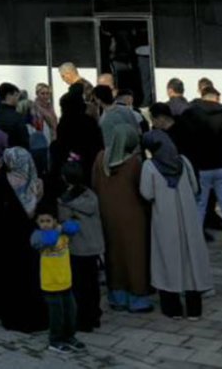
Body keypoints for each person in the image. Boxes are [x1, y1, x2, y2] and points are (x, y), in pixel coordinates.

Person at [140, 130, 213, 320]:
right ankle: (194, 309)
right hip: (188, 219)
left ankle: (172, 309)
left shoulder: (149, 166)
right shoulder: (184, 162)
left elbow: (147, 193)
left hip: (164, 220)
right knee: (192, 262)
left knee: (167, 261)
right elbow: (195, 188)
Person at [92, 107, 152, 312]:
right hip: (133, 215)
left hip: (107, 215)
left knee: (113, 255)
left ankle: (117, 296)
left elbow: (95, 186)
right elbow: (143, 190)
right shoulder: (134, 163)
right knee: (135, 256)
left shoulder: (100, 159)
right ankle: (137, 297)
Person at [179, 86, 222, 264]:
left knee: (198, 210)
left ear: (202, 97)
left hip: (200, 168)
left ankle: (194, 252)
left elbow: (183, 140)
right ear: (216, 97)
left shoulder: (190, 115)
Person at [0, 146, 47, 333]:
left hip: (7, 237)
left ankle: (13, 317)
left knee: (11, 277)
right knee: (31, 276)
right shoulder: (35, 182)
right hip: (29, 237)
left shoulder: (1, 181)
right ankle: (36, 318)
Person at [31, 203, 85, 355]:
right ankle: (55, 341)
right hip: (50, 284)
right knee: (57, 316)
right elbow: (48, 240)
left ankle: (69, 337)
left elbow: (75, 227)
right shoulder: (37, 235)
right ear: (37, 223)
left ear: (54, 220)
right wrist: (57, 229)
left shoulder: (62, 232)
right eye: (42, 221)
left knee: (70, 312)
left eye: (48, 221)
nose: (45, 224)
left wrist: (62, 226)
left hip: (66, 282)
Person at [57, 161, 105, 332]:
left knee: (79, 286)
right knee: (93, 284)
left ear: (64, 178)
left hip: (77, 247)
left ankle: (83, 319)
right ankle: (95, 316)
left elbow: (65, 224)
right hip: (94, 246)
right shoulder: (91, 195)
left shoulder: (64, 201)